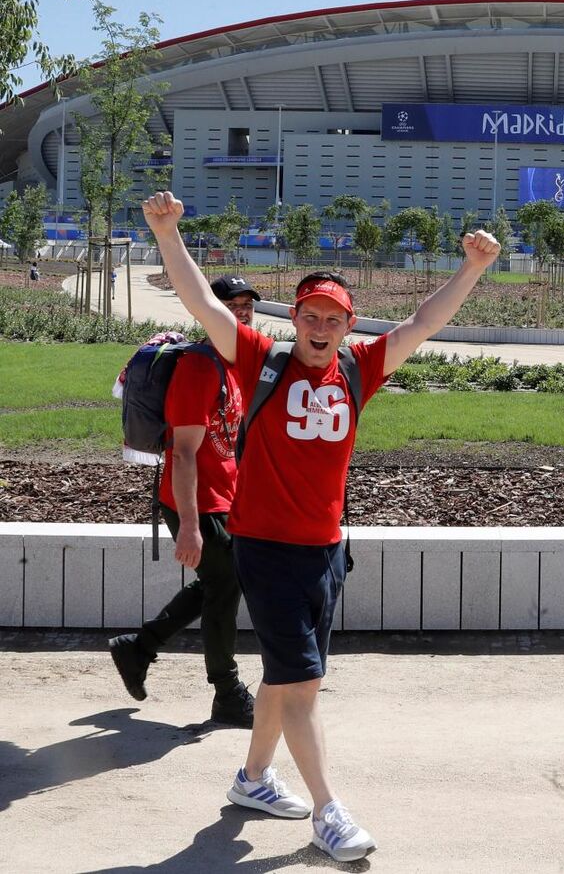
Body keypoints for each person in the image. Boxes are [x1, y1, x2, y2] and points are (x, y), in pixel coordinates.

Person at [142, 190, 499, 864]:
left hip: (327, 549)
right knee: (303, 685)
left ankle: (252, 779)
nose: (319, 326)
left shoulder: (361, 370)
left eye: (332, 318)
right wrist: (167, 235)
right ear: (295, 317)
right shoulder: (260, 359)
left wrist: (472, 270)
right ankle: (330, 813)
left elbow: (423, 323)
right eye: (309, 314)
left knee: (286, 678)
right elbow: (205, 306)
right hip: (266, 548)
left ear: (347, 324)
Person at [108, 275, 262, 728]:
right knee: (223, 588)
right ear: (206, 310)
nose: (242, 312)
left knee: (220, 584)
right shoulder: (199, 367)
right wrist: (191, 526)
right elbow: (184, 453)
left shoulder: (231, 361)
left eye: (247, 305)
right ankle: (227, 692)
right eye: (231, 304)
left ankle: (139, 647)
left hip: (225, 498)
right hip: (193, 499)